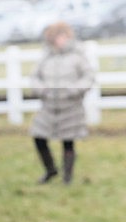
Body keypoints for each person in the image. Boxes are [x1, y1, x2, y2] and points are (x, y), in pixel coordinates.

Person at [30, 21, 95, 185]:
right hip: (48, 107)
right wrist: (42, 90)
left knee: (68, 142)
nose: (58, 40)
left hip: (71, 107)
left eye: (61, 36)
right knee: (39, 137)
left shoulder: (77, 56)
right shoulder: (46, 57)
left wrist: (73, 90)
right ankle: (50, 169)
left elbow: (88, 78)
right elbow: (34, 77)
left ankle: (67, 177)